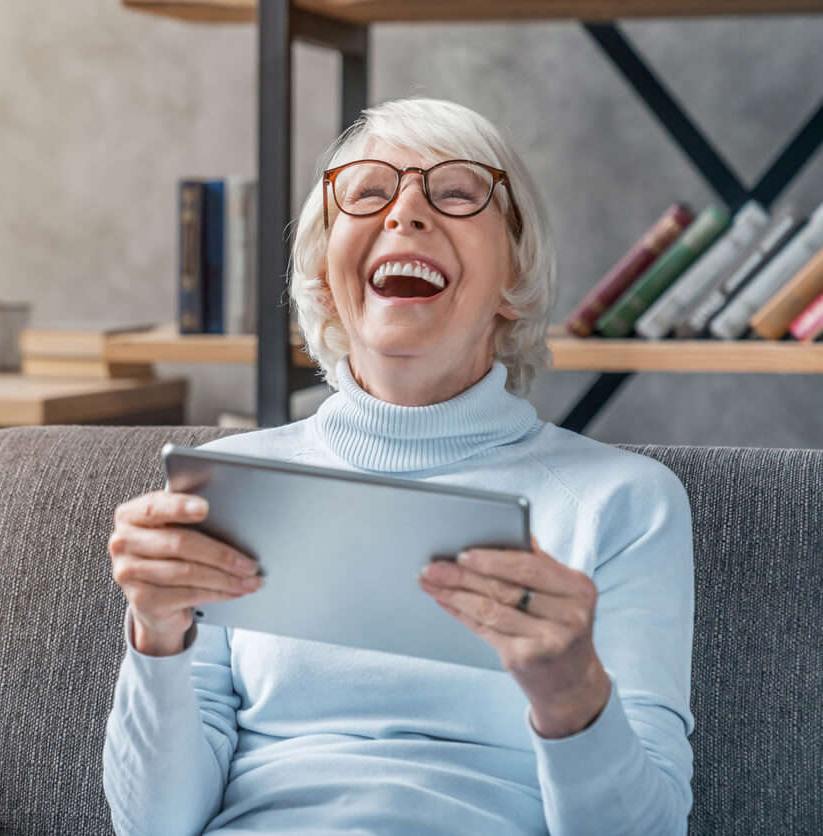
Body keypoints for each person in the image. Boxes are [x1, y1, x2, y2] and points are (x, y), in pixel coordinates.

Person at [103, 96, 694, 835]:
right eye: (367, 192)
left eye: (454, 192)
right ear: (322, 273)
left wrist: (572, 691)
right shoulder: (226, 488)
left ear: (514, 276)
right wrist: (156, 636)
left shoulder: (623, 502)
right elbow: (151, 826)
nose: (406, 211)